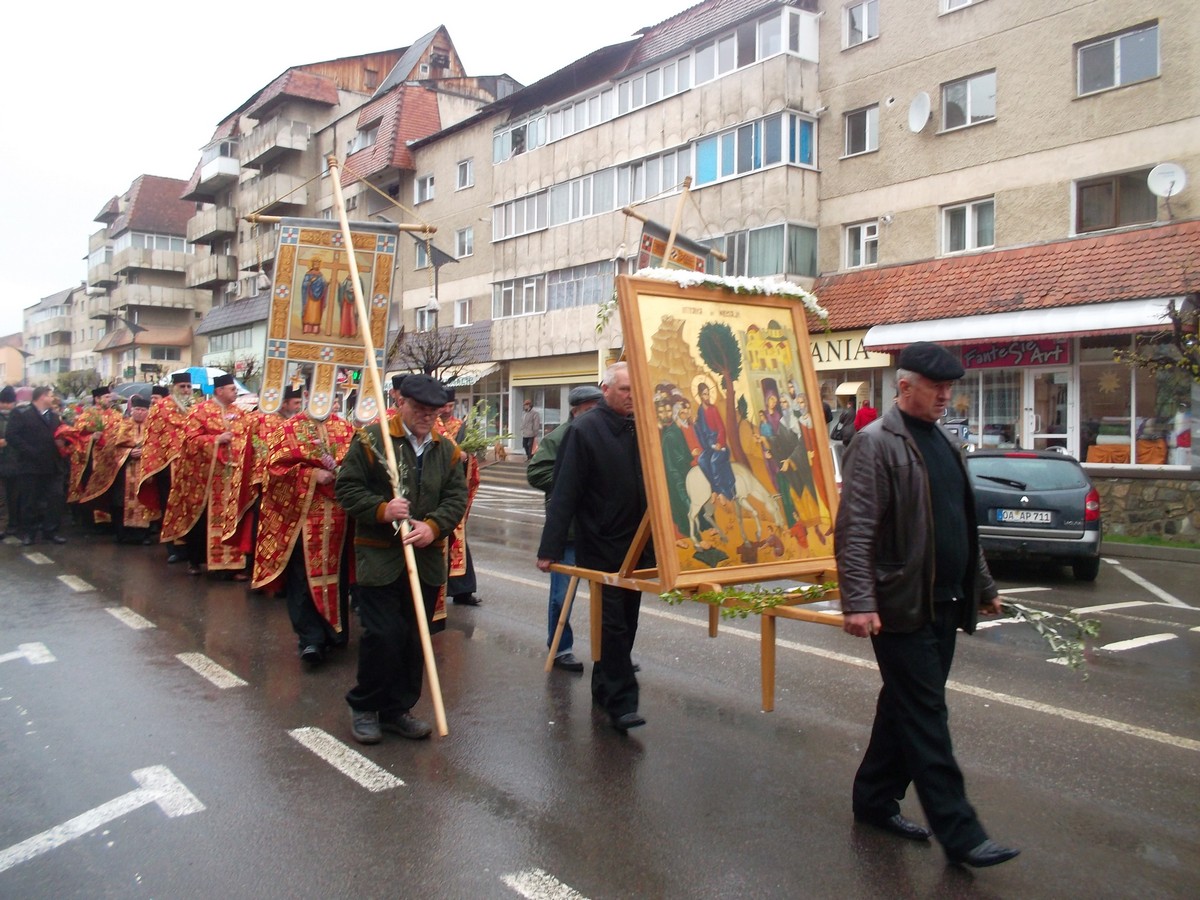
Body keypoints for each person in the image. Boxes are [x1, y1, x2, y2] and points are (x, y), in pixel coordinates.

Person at [835, 341, 1019, 869]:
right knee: (926, 715)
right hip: (901, 604)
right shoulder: (875, 443)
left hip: (945, 602)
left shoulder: (944, 442)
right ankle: (961, 833)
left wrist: (983, 586)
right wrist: (859, 601)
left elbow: (959, 525)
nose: (945, 396)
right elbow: (854, 530)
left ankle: (874, 799)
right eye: (936, 387)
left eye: (949, 388)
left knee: (904, 706)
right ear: (905, 387)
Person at [336, 374, 467, 744]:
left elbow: (455, 498)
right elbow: (347, 489)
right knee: (383, 634)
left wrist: (433, 527)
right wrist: (383, 509)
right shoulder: (372, 440)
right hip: (380, 558)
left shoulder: (446, 449)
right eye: (419, 409)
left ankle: (398, 709)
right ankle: (365, 705)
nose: (426, 417)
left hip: (424, 560)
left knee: (414, 637)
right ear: (400, 403)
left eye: (433, 412)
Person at [537, 363, 651, 733]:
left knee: (627, 620)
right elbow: (565, 490)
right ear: (606, 389)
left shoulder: (643, 426)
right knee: (613, 622)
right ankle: (621, 703)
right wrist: (550, 547)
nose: (631, 396)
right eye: (625, 389)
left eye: (636, 389)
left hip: (637, 544)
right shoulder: (584, 429)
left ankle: (604, 688)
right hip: (602, 543)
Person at [253, 393, 355, 665]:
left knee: (338, 574)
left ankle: (334, 631)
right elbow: (274, 470)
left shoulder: (345, 428)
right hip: (302, 517)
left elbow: (360, 466)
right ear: (308, 395)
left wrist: (344, 473)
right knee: (303, 577)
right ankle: (310, 639)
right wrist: (311, 475)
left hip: (339, 518)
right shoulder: (289, 428)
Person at [527, 383, 603, 672]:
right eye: (589, 409)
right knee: (562, 597)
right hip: (569, 531)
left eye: (598, 408)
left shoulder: (606, 433)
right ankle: (561, 649)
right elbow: (536, 473)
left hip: (599, 531)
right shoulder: (559, 437)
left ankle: (611, 651)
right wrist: (571, 482)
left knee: (608, 597)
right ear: (576, 410)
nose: (595, 414)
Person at [160, 373, 252, 577]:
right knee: (202, 521)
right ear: (219, 391)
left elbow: (248, 439)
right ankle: (195, 560)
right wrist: (216, 439)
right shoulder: (200, 411)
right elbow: (190, 440)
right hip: (207, 478)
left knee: (232, 521)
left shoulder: (241, 413)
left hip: (233, 478)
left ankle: (232, 567)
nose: (235, 393)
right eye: (232, 389)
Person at [79, 394, 160, 544]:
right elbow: (110, 450)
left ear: (148, 411)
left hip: (145, 473)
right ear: (131, 410)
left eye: (143, 410)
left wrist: (145, 452)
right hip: (124, 472)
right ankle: (123, 534)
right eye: (137, 409)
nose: (140, 412)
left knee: (144, 501)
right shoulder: (121, 427)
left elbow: (159, 449)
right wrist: (129, 452)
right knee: (121, 502)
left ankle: (143, 535)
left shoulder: (154, 429)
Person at [5, 386, 68, 545]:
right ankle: (29, 532)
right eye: (50, 396)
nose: (52, 399)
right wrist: (29, 451)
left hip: (52, 465)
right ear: (42, 397)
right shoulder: (22, 413)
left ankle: (51, 530)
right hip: (31, 465)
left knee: (55, 498)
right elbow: (12, 436)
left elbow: (61, 435)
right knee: (30, 500)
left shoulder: (54, 417)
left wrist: (63, 442)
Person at [436, 387, 482, 607]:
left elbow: (469, 459)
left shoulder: (459, 426)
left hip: (452, 489)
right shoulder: (430, 425)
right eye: (443, 406)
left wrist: (464, 458)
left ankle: (463, 590)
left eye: (450, 406)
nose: (447, 410)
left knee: (458, 541)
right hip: (433, 490)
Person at [0, 385, 18, 539]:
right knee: (4, 497)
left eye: (8, 402)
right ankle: (5, 525)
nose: (6, 406)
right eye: (3, 402)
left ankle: (12, 524)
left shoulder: (19, 416)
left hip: (14, 463)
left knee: (13, 496)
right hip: (7, 461)